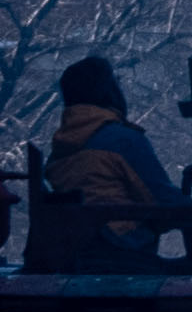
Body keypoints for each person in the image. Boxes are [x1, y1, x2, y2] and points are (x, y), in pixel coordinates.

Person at [21, 58, 175, 271]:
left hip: (77, 251)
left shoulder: (61, 150)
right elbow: (162, 200)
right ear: (108, 91)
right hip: (120, 249)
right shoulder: (122, 141)